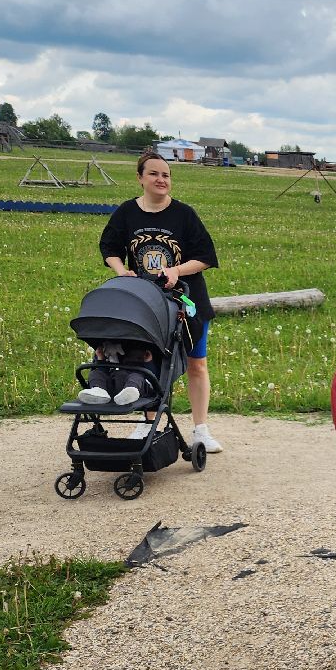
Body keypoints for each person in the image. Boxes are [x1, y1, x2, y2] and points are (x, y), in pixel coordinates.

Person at [100, 152, 223, 451]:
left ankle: (201, 430)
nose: (161, 180)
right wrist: (121, 271)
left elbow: (205, 256)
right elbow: (109, 246)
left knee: (197, 364)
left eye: (166, 175)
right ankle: (148, 425)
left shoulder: (184, 214)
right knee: (147, 363)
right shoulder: (127, 213)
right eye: (154, 174)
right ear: (140, 178)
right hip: (145, 305)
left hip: (186, 302)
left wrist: (176, 270)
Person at [78, 340, 154, 406]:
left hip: (136, 387)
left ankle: (130, 392)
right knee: (96, 373)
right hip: (111, 386)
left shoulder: (140, 350)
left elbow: (152, 376)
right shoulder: (105, 348)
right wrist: (101, 358)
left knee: (136, 376)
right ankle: (98, 390)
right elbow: (102, 371)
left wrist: (148, 361)